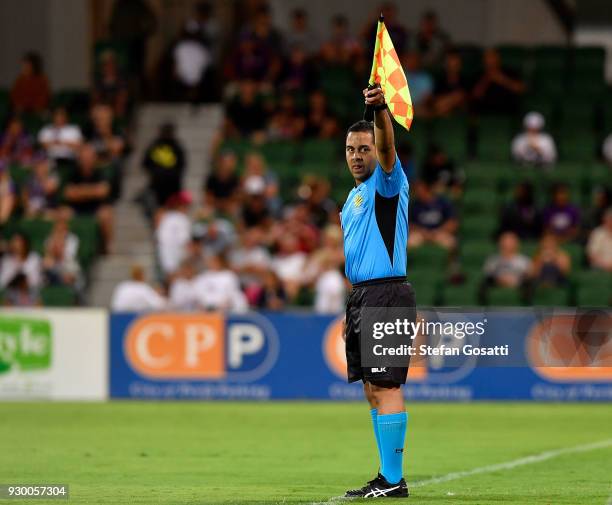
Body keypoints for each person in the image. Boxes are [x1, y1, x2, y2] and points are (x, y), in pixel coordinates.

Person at [341, 86, 413, 498]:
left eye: (363, 148)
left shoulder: (387, 184)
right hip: (364, 297)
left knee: (386, 388)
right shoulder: (352, 197)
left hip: (386, 295)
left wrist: (380, 110)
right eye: (351, 149)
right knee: (372, 389)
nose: (356, 155)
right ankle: (386, 474)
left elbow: (388, 145)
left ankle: (393, 480)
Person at [63, 145, 114, 252]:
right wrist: (92, 191)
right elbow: (69, 193)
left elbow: (103, 191)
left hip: (95, 208)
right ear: (79, 159)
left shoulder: (100, 172)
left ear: (94, 158)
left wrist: (80, 191)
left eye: (89, 157)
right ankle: (66, 248)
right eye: (83, 157)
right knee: (63, 214)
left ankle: (106, 247)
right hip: (77, 208)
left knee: (106, 214)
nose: (86, 160)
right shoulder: (73, 172)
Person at [142, 122, 186, 207]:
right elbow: (145, 163)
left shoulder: (176, 147)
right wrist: (156, 174)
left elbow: (182, 165)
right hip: (157, 185)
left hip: (172, 185)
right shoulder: (155, 146)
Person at [472, 48, 525, 114]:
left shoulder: (510, 72)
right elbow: (475, 96)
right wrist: (486, 79)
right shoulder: (479, 75)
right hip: (485, 113)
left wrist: (501, 79)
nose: (490, 61)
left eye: (492, 58)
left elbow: (520, 89)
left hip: (508, 111)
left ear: (498, 59)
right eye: (487, 59)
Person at [408, 179, 457, 249]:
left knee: (452, 243)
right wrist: (423, 232)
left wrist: (437, 231)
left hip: (440, 233)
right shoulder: (415, 205)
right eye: (416, 190)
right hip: (421, 234)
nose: (418, 192)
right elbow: (409, 225)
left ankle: (452, 260)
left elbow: (452, 223)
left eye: (420, 190)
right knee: (409, 242)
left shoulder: (443, 203)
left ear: (427, 189)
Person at [587, 207, 612, 272]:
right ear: (605, 219)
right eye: (610, 218)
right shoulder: (597, 233)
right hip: (600, 269)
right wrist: (606, 265)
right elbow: (591, 255)